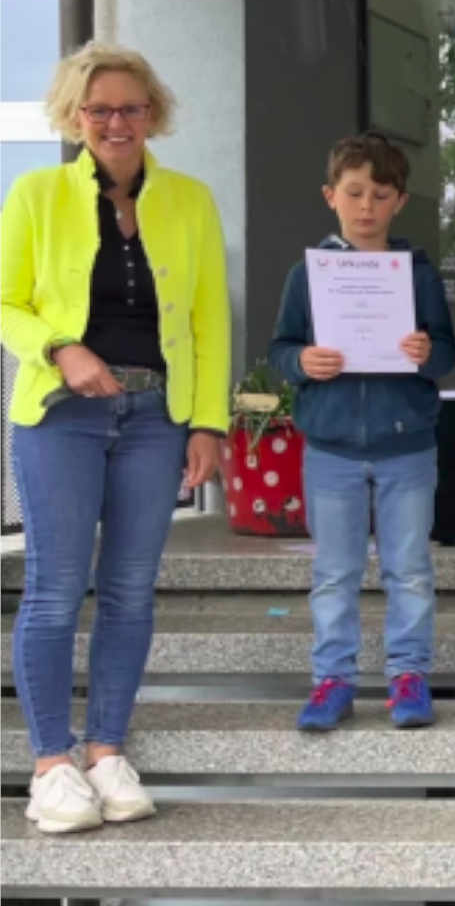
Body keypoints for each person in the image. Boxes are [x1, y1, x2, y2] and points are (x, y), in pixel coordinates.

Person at [1, 43, 228, 834]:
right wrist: (61, 346)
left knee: (130, 591)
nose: (115, 122)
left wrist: (208, 422)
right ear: (74, 116)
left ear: (152, 114)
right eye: (98, 109)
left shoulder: (191, 200)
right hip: (62, 414)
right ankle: (52, 764)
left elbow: (208, 318)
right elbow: (6, 302)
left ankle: (106, 750)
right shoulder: (35, 195)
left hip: (155, 418)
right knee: (57, 590)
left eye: (130, 108)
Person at [268, 133, 455, 732]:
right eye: (354, 193)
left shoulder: (419, 275)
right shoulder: (307, 275)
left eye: (380, 194)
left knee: (409, 568)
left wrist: (426, 352)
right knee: (334, 572)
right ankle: (333, 678)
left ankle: (408, 675)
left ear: (400, 201)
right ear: (331, 196)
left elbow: (447, 354)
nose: (367, 206)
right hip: (332, 449)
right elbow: (281, 347)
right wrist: (302, 363)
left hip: (407, 445)